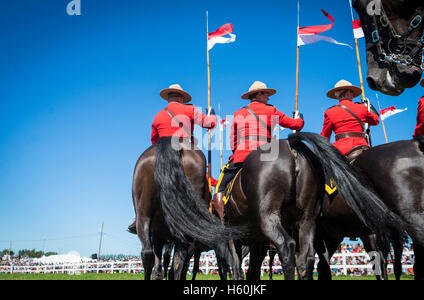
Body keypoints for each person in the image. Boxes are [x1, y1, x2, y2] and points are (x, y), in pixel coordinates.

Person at [128, 84, 217, 234]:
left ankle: (139, 218)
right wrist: (212, 113)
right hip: (186, 147)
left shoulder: (158, 116)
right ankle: (203, 214)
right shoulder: (190, 109)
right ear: (182, 98)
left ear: (168, 98)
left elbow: (154, 142)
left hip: (161, 151)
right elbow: (210, 123)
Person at [213, 81, 304, 221]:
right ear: (259, 94)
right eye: (266, 94)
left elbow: (233, 140)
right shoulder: (271, 110)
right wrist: (299, 118)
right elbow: (294, 124)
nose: (268, 97)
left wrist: (236, 154)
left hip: (242, 154)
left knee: (221, 185)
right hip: (267, 152)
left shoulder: (239, 113)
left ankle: (221, 220)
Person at [320, 80, 379, 160]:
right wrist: (371, 109)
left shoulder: (330, 112)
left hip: (341, 149)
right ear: (348, 93)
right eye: (352, 92)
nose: (353, 95)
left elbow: (325, 137)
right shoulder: (362, 107)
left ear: (337, 96)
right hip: (362, 146)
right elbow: (375, 121)